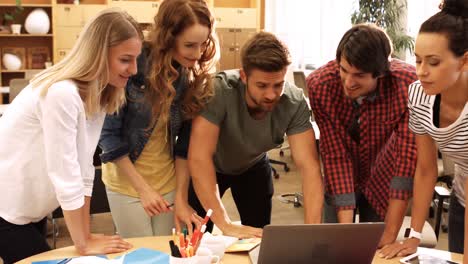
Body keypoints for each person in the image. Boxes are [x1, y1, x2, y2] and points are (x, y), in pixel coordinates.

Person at [0, 9, 139, 264]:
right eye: (125, 60)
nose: (134, 69)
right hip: (6, 210)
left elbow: (84, 167)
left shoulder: (98, 93)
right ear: (99, 54)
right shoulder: (62, 93)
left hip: (30, 210)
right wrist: (82, 243)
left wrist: (84, 236)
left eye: (136, 59)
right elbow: (65, 173)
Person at [98, 0, 218, 238]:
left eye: (202, 45)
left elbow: (184, 144)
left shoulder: (184, 73)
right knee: (141, 257)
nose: (197, 54)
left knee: (169, 254)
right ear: (168, 38)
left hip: (168, 182)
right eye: (189, 45)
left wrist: (182, 198)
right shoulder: (132, 64)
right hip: (128, 184)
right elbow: (108, 136)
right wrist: (143, 190)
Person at [188, 31, 323, 238]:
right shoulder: (218, 91)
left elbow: (310, 168)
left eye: (278, 85)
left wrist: (311, 234)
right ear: (244, 76)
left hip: (253, 166)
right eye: (262, 85)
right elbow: (199, 158)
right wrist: (225, 224)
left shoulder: (294, 103)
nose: (271, 94)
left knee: (258, 238)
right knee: (196, 237)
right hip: (211, 166)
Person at [307, 24, 418, 247]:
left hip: (383, 174)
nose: (348, 82)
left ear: (381, 72)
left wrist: (389, 234)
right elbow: (335, 155)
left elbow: (405, 161)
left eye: (359, 75)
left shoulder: (407, 85)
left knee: (377, 245)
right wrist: (346, 232)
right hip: (339, 177)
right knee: (336, 245)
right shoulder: (321, 85)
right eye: (344, 70)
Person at [378, 0, 468, 261]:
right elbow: (426, 168)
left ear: (463, 61)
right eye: (417, 60)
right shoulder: (418, 94)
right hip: (462, 198)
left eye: (434, 62)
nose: (421, 71)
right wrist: (414, 235)